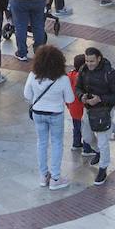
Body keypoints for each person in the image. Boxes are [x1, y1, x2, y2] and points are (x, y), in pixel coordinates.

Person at [25, 44, 74, 189]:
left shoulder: (33, 75)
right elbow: (70, 99)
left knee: (41, 143)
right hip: (56, 114)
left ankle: (43, 176)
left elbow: (27, 95)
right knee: (57, 143)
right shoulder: (63, 79)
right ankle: (55, 178)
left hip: (38, 113)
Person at [76, 47, 115, 185]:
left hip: (104, 111)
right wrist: (82, 97)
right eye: (87, 61)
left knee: (103, 142)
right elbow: (78, 88)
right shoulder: (83, 70)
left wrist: (101, 99)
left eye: (92, 61)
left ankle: (103, 168)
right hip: (88, 110)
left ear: (99, 59)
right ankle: (97, 152)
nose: (89, 64)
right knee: (87, 137)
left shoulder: (110, 73)